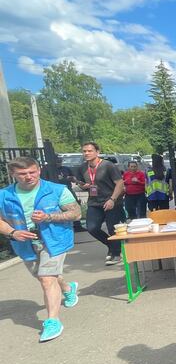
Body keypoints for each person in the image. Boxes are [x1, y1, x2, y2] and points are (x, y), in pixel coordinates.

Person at [0, 157, 81, 342]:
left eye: (32, 172)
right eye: (22, 174)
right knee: (44, 276)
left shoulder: (57, 190)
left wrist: (48, 217)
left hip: (54, 240)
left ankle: (53, 321)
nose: (29, 176)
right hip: (24, 243)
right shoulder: (3, 195)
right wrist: (12, 232)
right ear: (12, 174)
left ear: (38, 170)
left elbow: (76, 213)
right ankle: (68, 288)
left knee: (46, 279)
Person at [75, 142, 125, 265]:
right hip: (94, 202)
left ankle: (116, 254)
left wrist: (112, 199)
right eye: (84, 151)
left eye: (89, 151)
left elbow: (120, 183)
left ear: (97, 152)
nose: (86, 153)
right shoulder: (82, 168)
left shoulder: (108, 165)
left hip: (111, 201)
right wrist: (83, 186)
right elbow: (81, 184)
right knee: (92, 228)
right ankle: (111, 245)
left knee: (112, 228)